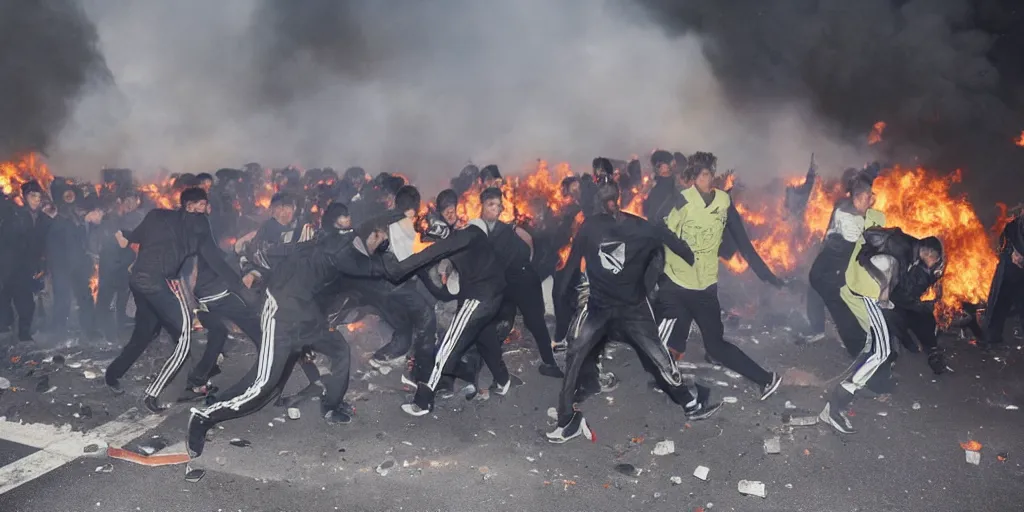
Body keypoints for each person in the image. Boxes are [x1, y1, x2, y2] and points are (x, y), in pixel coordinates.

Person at [187, 216, 406, 459]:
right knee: (264, 385)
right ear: (374, 234)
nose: (384, 246)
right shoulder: (346, 252)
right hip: (282, 314)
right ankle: (204, 416)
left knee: (339, 349)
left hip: (308, 315)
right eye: (384, 240)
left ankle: (332, 406)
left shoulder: (346, 244)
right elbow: (385, 271)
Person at [547, 181, 720, 444]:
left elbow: (662, 243)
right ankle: (567, 420)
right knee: (576, 353)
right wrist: (687, 257)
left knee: (658, 356)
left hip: (630, 308)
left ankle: (690, 404)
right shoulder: (609, 227)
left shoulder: (615, 227)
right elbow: (665, 239)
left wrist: (674, 266)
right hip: (602, 306)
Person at [104, 187, 258, 413]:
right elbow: (217, 261)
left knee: (146, 333)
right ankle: (154, 393)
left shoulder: (156, 215)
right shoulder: (198, 224)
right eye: (202, 206)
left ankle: (113, 375)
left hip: (137, 281)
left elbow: (133, 236)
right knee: (185, 338)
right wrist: (243, 292)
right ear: (190, 207)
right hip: (159, 285)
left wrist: (121, 233)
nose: (206, 210)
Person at [656, 152, 783, 399]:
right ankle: (667, 378)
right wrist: (679, 251)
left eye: (711, 174)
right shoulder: (680, 201)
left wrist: (767, 276)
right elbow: (658, 228)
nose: (709, 178)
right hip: (676, 284)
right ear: (693, 178)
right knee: (671, 337)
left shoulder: (723, 201)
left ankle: (766, 379)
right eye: (704, 174)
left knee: (715, 346)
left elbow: (743, 242)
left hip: (705, 286)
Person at [397, 189, 519, 417]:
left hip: (478, 298)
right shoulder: (477, 240)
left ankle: (423, 403)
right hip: (492, 297)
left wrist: (401, 268)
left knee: (447, 347)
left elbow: (436, 252)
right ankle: (503, 381)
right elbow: (445, 270)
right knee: (486, 339)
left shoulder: (466, 235)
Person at [820, 227, 944, 433]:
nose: (934, 264)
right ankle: (836, 404)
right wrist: (924, 279)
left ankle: (851, 389)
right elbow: (894, 289)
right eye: (935, 260)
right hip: (870, 292)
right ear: (929, 254)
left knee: (877, 347)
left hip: (866, 286)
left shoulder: (910, 246)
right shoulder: (905, 254)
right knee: (882, 351)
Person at [476, 187, 562, 378]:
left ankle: (549, 363)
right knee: (500, 320)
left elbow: (528, 238)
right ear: (481, 206)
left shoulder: (508, 227)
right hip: (504, 283)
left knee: (535, 321)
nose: (495, 209)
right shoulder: (478, 229)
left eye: (498, 205)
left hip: (524, 280)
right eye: (491, 204)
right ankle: (489, 368)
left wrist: (528, 261)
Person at [803, 175, 881, 356]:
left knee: (835, 299)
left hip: (837, 264)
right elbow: (839, 236)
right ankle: (825, 332)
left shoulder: (855, 212)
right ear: (858, 197)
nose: (871, 200)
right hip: (833, 261)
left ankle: (855, 341)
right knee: (823, 291)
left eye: (871, 196)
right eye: (868, 196)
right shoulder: (846, 214)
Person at [46, 194, 105, 339]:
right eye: (99, 213)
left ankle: (90, 331)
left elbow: (86, 246)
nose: (100, 217)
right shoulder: (65, 220)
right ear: (91, 211)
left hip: (79, 266)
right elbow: (53, 244)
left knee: (85, 298)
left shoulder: (88, 224)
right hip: (62, 265)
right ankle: (57, 332)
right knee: (62, 298)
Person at [0, 181, 52, 341]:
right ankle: (5, 329)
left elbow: (44, 242)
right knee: (5, 297)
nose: (36, 200)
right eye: (32, 196)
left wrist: (41, 263)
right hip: (9, 265)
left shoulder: (43, 218)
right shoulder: (14, 214)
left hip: (27, 267)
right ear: (25, 197)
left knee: (26, 302)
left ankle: (23, 333)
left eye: (38, 196)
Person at [96, 191, 145, 341]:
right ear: (119, 201)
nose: (130, 204)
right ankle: (102, 331)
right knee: (106, 298)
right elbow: (122, 243)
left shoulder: (133, 218)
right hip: (111, 265)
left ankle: (119, 331)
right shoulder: (112, 219)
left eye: (134, 200)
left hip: (124, 266)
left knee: (121, 299)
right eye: (127, 200)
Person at [982, 214, 1024, 349]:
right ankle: (992, 337)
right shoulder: (1013, 226)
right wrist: (1012, 252)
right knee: (999, 303)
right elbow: (1003, 243)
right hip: (1008, 271)